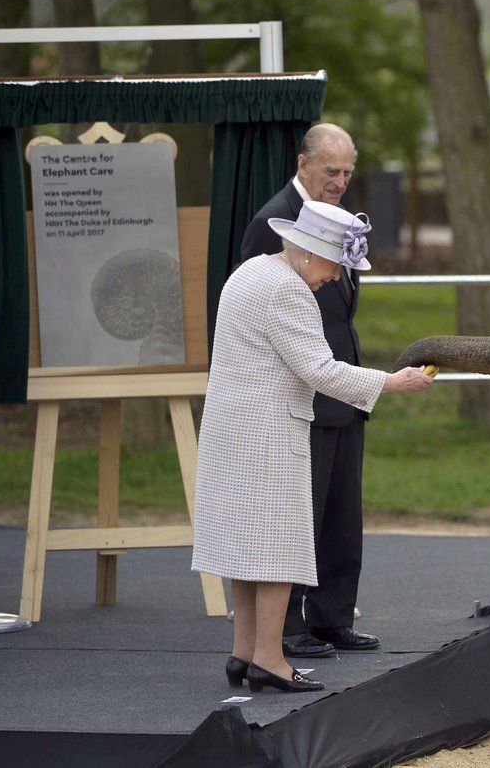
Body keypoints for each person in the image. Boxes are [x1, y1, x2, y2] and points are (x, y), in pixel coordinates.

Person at [193, 200, 433, 692]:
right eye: (334, 264)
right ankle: (269, 659)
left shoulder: (249, 273)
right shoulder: (288, 291)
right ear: (307, 251)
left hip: (230, 428)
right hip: (267, 431)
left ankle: (242, 654)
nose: (334, 277)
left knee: (246, 545)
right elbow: (319, 370)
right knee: (279, 545)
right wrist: (392, 382)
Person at [239, 123, 379, 659]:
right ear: (303, 165)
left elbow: (339, 312)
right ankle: (289, 627)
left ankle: (332, 616)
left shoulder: (337, 220)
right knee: (299, 513)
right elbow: (256, 306)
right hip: (299, 393)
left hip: (343, 387)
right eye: (331, 171)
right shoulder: (270, 223)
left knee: (342, 513)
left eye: (347, 172)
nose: (341, 182)